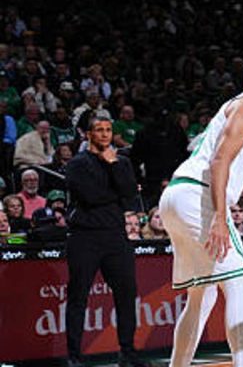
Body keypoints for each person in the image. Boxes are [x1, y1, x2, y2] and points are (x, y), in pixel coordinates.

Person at [158, 54, 243, 367]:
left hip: (175, 195)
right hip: (197, 197)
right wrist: (219, 216)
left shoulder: (235, 105)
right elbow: (219, 161)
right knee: (240, 282)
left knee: (201, 297)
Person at [64, 112, 148, 367]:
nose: (104, 135)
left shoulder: (120, 161)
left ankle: (128, 353)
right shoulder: (78, 163)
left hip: (115, 236)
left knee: (127, 293)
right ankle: (75, 357)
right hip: (84, 237)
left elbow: (130, 195)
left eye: (108, 131)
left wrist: (114, 167)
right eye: (99, 130)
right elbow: (91, 196)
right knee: (79, 296)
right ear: (89, 134)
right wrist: (117, 191)